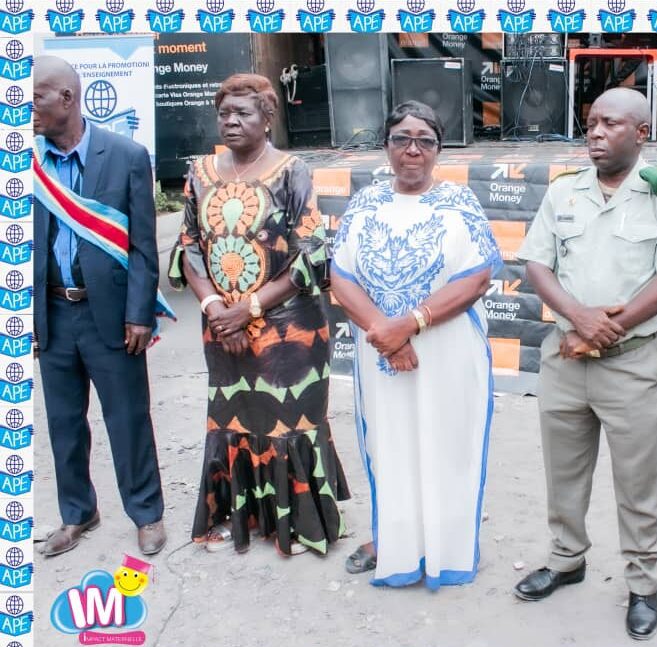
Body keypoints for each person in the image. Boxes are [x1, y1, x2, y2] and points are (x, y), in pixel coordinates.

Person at [514, 88, 657, 640]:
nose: (595, 133)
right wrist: (578, 320)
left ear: (641, 133)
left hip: (630, 363)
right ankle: (566, 560)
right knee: (564, 471)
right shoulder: (564, 190)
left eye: (610, 124)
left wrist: (602, 333)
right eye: (591, 123)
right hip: (564, 358)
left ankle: (643, 583)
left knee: (638, 481)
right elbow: (537, 264)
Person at [168, 73, 350, 556]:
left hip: (287, 330)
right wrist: (216, 310)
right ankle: (242, 517)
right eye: (224, 113)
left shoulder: (292, 171)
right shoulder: (200, 172)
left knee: (288, 422)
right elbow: (189, 247)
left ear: (267, 119)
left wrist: (246, 310)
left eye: (243, 113)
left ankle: (300, 525)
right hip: (221, 329)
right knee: (234, 421)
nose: (231, 121)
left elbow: (310, 254)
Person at [331, 101, 501, 588]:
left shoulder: (459, 202)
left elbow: (476, 278)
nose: (413, 149)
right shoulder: (365, 202)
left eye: (425, 140)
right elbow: (340, 276)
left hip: (446, 351)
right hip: (382, 353)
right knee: (389, 444)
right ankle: (395, 543)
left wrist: (409, 324)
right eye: (402, 138)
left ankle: (445, 548)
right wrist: (388, 337)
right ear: (385, 146)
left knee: (446, 444)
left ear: (438, 150)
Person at [32, 55, 169, 557]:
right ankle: (78, 513)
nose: (25, 111)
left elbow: (143, 246)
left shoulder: (126, 155)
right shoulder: (25, 164)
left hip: (109, 314)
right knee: (64, 423)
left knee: (128, 418)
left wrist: (140, 313)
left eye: (34, 99)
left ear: (67, 98)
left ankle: (146, 512)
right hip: (52, 313)